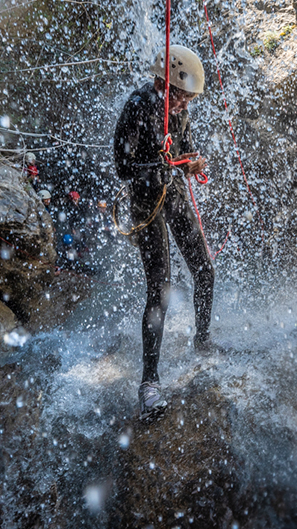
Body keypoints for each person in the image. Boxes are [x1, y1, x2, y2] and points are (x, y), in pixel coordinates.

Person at [114, 44, 216, 420]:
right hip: (145, 202)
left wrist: (192, 161)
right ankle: (149, 384)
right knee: (161, 287)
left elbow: (185, 149)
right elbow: (122, 165)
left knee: (205, 270)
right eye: (184, 96)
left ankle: (203, 341)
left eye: (190, 99)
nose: (187, 105)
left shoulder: (180, 113)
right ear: (166, 84)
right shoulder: (139, 105)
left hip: (170, 193)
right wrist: (155, 165)